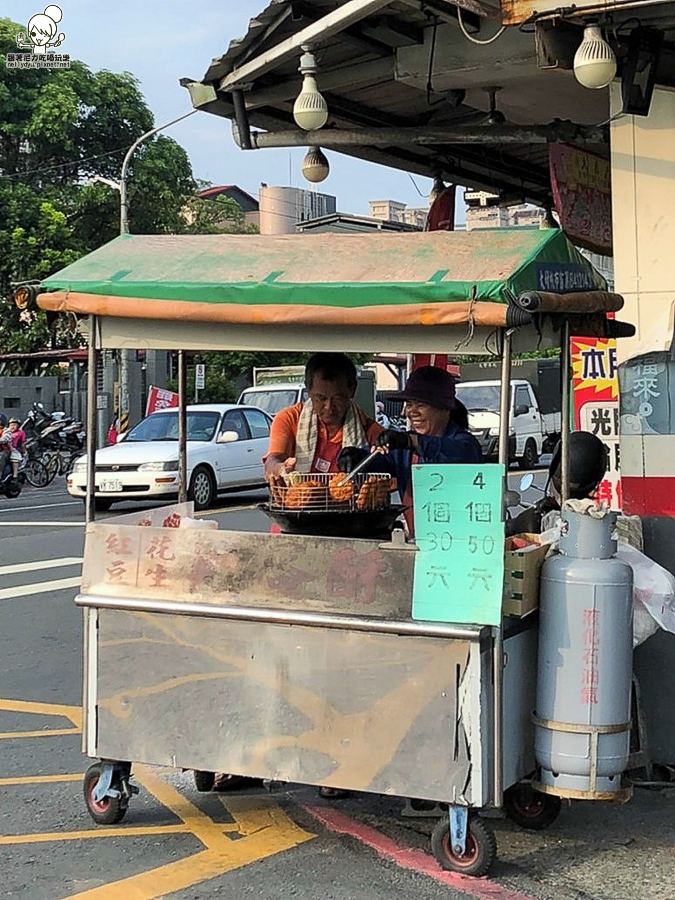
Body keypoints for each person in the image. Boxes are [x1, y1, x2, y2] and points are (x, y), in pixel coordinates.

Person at [364, 367, 482, 537]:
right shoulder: (404, 452)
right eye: (410, 404)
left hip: (462, 543)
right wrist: (354, 456)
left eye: (422, 405)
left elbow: (448, 452)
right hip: (419, 543)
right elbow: (377, 461)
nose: (412, 412)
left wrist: (409, 441)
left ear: (445, 407)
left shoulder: (465, 444)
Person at [264, 352, 382, 482]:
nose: (328, 407)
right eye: (320, 398)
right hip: (297, 501)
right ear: (308, 389)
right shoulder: (289, 419)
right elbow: (272, 461)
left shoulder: (369, 430)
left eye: (337, 398)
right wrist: (281, 468)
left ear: (352, 390)